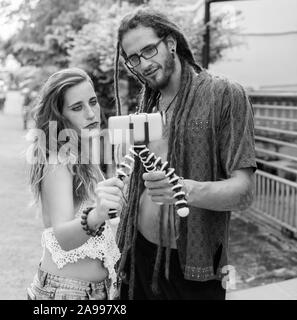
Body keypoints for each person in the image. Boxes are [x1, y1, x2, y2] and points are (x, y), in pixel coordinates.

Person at [112, 9, 257, 300]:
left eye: (149, 50)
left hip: (192, 271)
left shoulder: (224, 95)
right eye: (134, 58)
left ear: (171, 43)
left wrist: (183, 189)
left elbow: (244, 192)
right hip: (137, 258)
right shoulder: (147, 105)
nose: (144, 64)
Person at [26, 68, 124, 300]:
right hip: (66, 293)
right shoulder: (59, 160)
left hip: (95, 291)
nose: (91, 113)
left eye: (93, 102)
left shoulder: (85, 155)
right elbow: (62, 238)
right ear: (60, 116)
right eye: (77, 107)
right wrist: (98, 213)